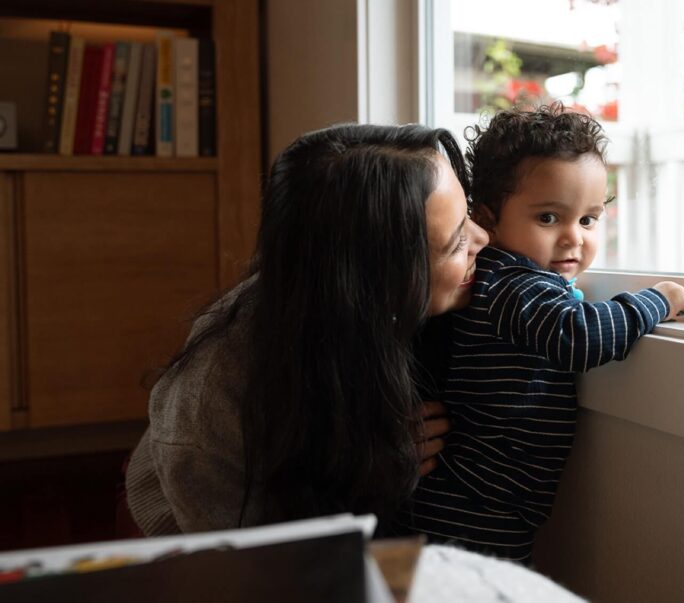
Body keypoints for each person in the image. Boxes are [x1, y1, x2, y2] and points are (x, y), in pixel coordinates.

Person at [126, 123, 489, 535]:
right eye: (457, 241)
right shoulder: (214, 407)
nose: (484, 237)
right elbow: (250, 571)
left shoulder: (361, 304)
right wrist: (362, 464)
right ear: (377, 275)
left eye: (469, 216)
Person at [400, 104, 684, 561]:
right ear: (489, 218)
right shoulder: (512, 284)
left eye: (588, 219)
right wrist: (659, 299)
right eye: (548, 218)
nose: (574, 238)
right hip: (475, 505)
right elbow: (579, 337)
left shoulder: (511, 280)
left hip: (479, 498)